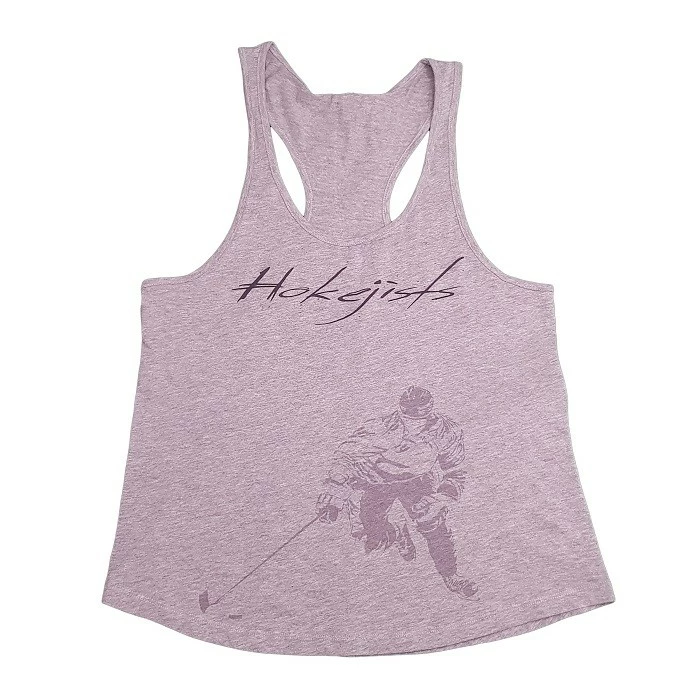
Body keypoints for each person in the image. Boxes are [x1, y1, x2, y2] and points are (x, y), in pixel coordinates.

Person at [316, 386, 477, 598]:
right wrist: (334, 495)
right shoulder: (381, 427)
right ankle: (398, 532)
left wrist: (440, 497)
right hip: (377, 480)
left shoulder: (446, 432)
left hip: (417, 480)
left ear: (430, 414)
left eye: (419, 420)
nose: (412, 426)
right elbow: (346, 456)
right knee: (371, 532)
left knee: (433, 522)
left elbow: (456, 470)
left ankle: (451, 574)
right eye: (407, 419)